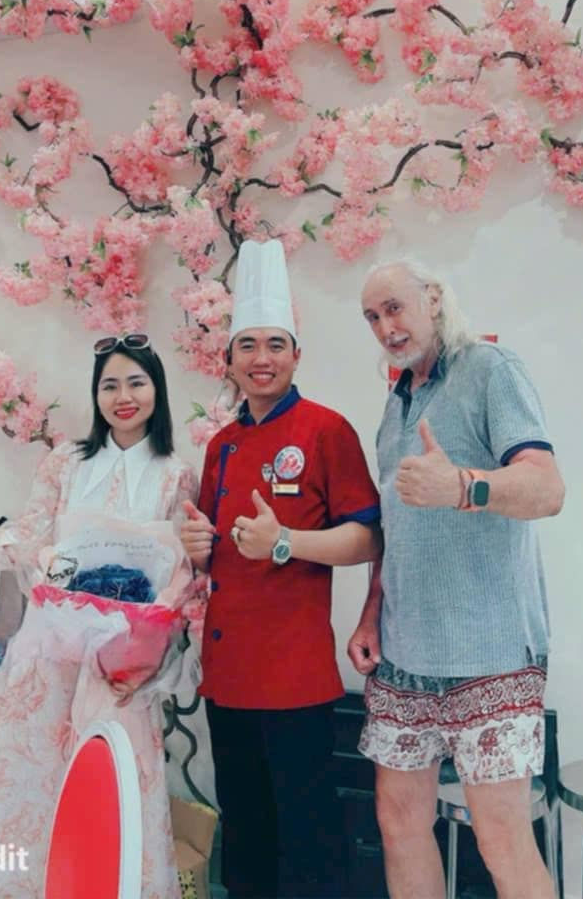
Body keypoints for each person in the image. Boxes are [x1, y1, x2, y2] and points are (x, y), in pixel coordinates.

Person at [0, 336, 197, 899]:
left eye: (136, 383)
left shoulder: (176, 475)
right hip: (49, 652)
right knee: (30, 777)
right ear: (95, 395)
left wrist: (151, 652)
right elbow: (33, 536)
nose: (123, 397)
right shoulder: (66, 462)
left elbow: (181, 572)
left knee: (111, 779)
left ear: (157, 390)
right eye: (110, 385)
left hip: (122, 665)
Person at [348, 259, 565, 899]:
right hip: (405, 657)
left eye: (394, 307)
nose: (385, 327)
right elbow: (393, 528)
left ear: (435, 299)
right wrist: (370, 613)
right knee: (398, 823)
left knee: (499, 838)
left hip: (490, 656)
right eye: (371, 316)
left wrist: (464, 486)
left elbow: (547, 489)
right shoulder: (397, 401)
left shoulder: (490, 369)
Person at [181, 238, 381, 899]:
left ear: (297, 355)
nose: (261, 358)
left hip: (295, 675)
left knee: (309, 836)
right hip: (228, 672)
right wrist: (196, 545)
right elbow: (220, 548)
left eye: (275, 344)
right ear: (229, 359)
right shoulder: (221, 444)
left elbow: (367, 539)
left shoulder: (326, 430)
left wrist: (287, 542)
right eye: (247, 345)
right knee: (244, 833)